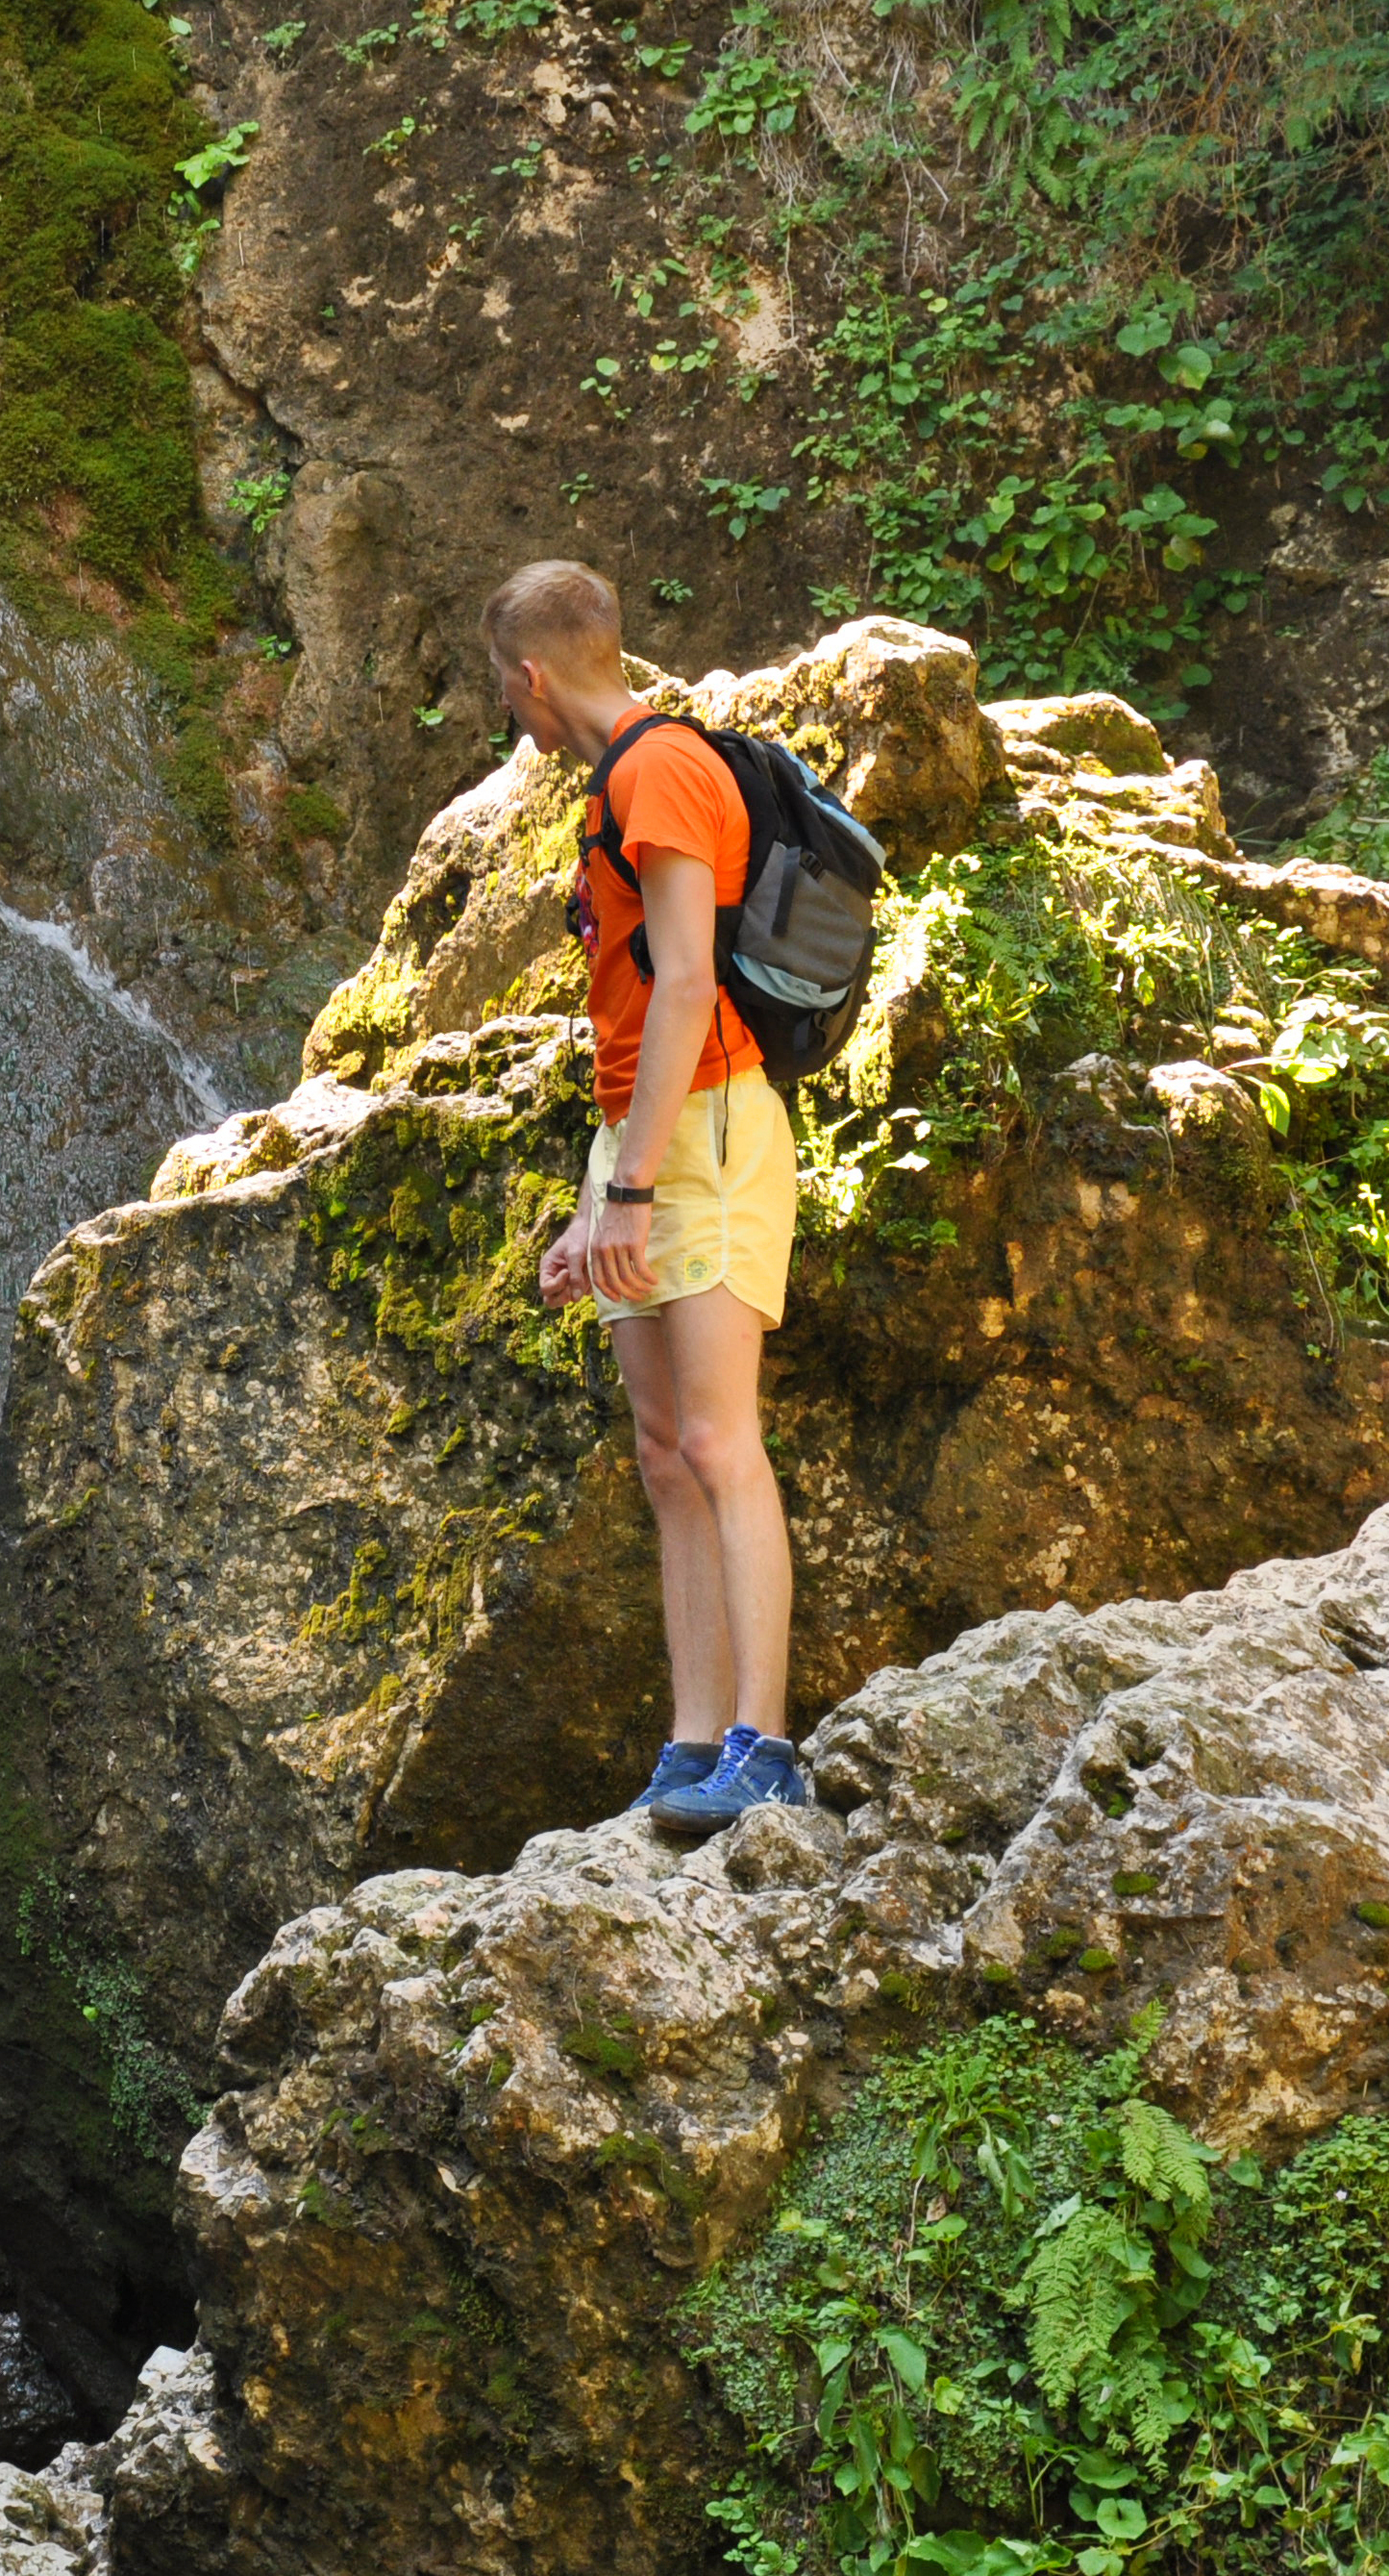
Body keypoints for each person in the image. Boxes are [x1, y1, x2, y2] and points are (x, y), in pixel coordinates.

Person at [486, 560, 807, 1837]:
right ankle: (691, 1744)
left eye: (509, 700)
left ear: (531, 676)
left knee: (725, 1444)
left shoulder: (660, 769)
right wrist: (596, 1205)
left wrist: (627, 1189)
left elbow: (684, 986)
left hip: (712, 1123)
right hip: (642, 1129)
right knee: (666, 1456)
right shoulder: (611, 786)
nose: (517, 723)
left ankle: (764, 1744)